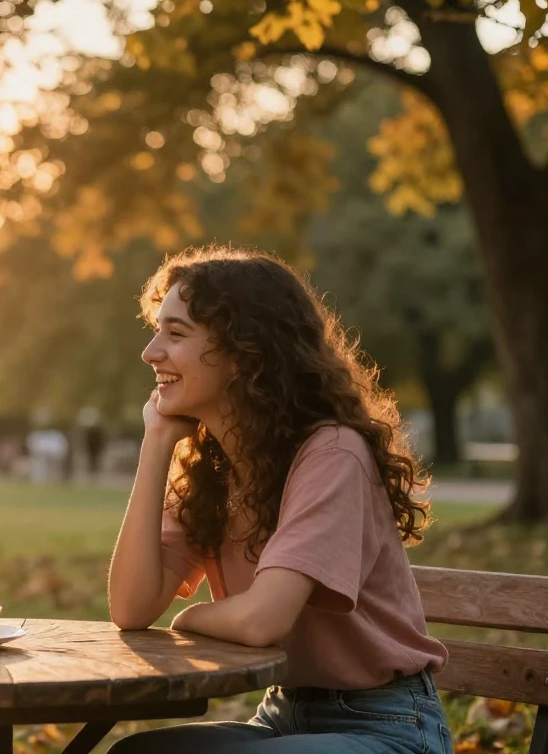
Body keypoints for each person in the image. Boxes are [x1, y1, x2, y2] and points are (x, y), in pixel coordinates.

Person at [107, 246, 452, 754]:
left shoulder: (332, 453)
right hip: (281, 716)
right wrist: (156, 444)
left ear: (244, 354)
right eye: (156, 330)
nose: (151, 351)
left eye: (175, 334)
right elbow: (131, 607)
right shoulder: (213, 467)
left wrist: (189, 619)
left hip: (387, 726)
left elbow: (263, 620)